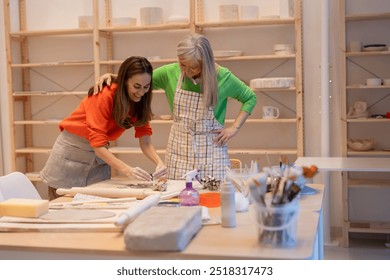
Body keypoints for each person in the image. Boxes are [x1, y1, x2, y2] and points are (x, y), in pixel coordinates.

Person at [96, 34, 257, 181]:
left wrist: (233, 128)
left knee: (214, 197)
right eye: (183, 64)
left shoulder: (223, 77)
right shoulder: (170, 73)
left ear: (205, 64)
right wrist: (115, 77)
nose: (186, 71)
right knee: (179, 197)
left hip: (212, 149)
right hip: (179, 150)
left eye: (193, 67)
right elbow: (142, 81)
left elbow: (250, 97)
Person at [41, 56, 167, 200]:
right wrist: (127, 170)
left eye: (146, 87)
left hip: (98, 156)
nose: (141, 92)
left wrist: (159, 163)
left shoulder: (140, 101)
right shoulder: (104, 94)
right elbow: (98, 146)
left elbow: (145, 141)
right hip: (72, 152)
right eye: (136, 86)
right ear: (124, 80)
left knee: (96, 206)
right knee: (61, 207)